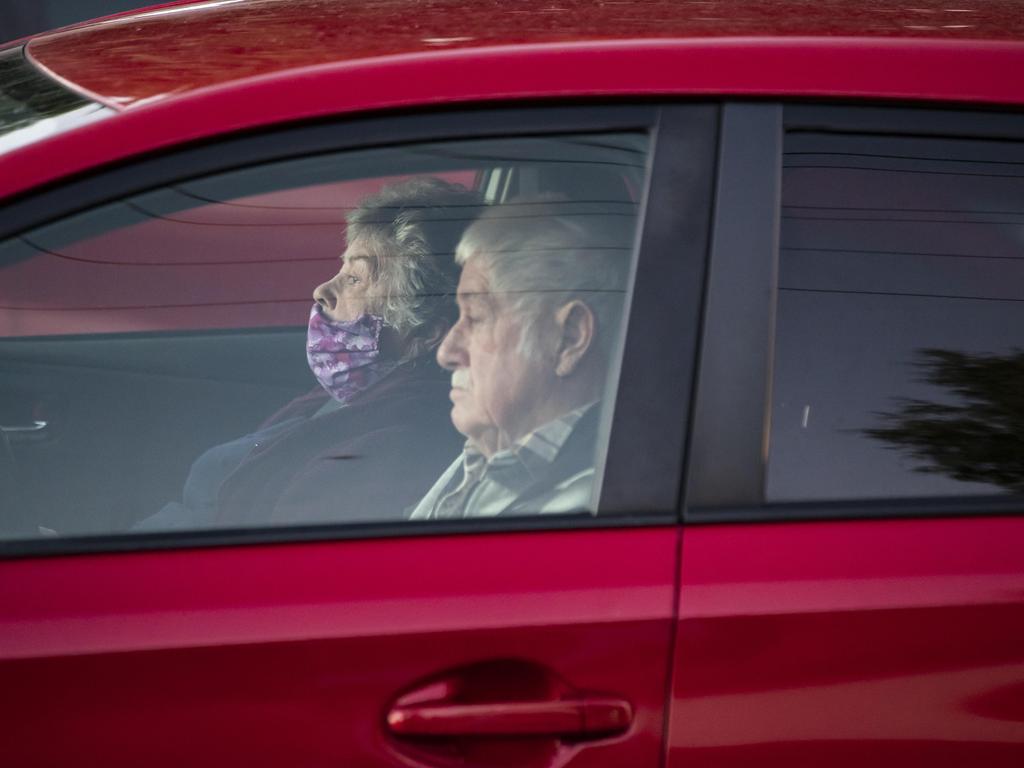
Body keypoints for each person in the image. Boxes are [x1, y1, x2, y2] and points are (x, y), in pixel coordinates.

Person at [137, 177, 482, 529]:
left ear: (424, 331)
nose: (321, 290)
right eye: (341, 269)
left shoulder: (394, 444)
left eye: (354, 279)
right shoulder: (359, 395)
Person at [409, 200, 632, 519]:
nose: (446, 352)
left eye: (475, 317)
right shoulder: (483, 455)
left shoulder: (588, 507)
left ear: (568, 338)